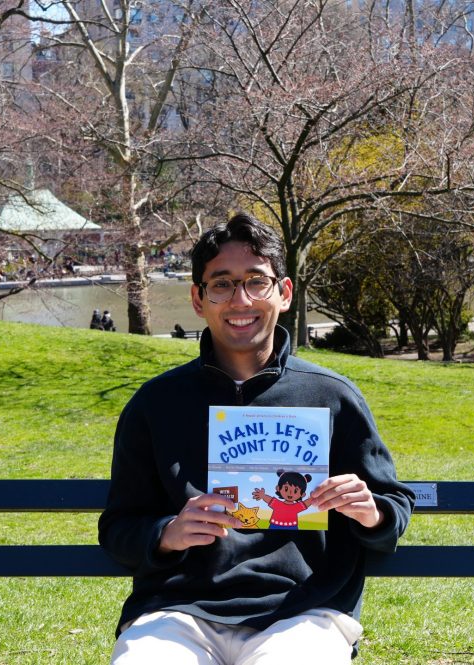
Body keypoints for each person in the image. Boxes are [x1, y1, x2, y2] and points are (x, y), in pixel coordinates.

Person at [99, 212, 413, 665]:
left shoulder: (332, 397)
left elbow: (393, 504)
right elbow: (118, 527)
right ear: (197, 299)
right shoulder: (156, 403)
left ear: (284, 293)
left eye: (256, 282)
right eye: (222, 284)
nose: (240, 299)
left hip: (303, 613)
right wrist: (166, 534)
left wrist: (371, 511)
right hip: (176, 613)